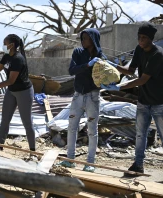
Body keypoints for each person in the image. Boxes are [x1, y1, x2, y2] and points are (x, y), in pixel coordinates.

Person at [102, 22, 163, 176]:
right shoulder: (139, 49)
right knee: (140, 134)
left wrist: (118, 87)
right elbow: (130, 71)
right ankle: (138, 164)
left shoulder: (158, 55)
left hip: (158, 102)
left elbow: (142, 79)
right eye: (139, 37)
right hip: (143, 101)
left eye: (144, 38)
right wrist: (111, 65)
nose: (140, 41)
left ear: (150, 39)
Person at [59, 28, 106, 172]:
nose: (83, 40)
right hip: (78, 95)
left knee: (92, 130)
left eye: (86, 38)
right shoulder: (78, 53)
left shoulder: (100, 56)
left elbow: (103, 76)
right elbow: (72, 70)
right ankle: (70, 159)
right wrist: (87, 65)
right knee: (72, 127)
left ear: (93, 39)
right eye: (82, 38)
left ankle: (90, 163)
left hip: (93, 96)